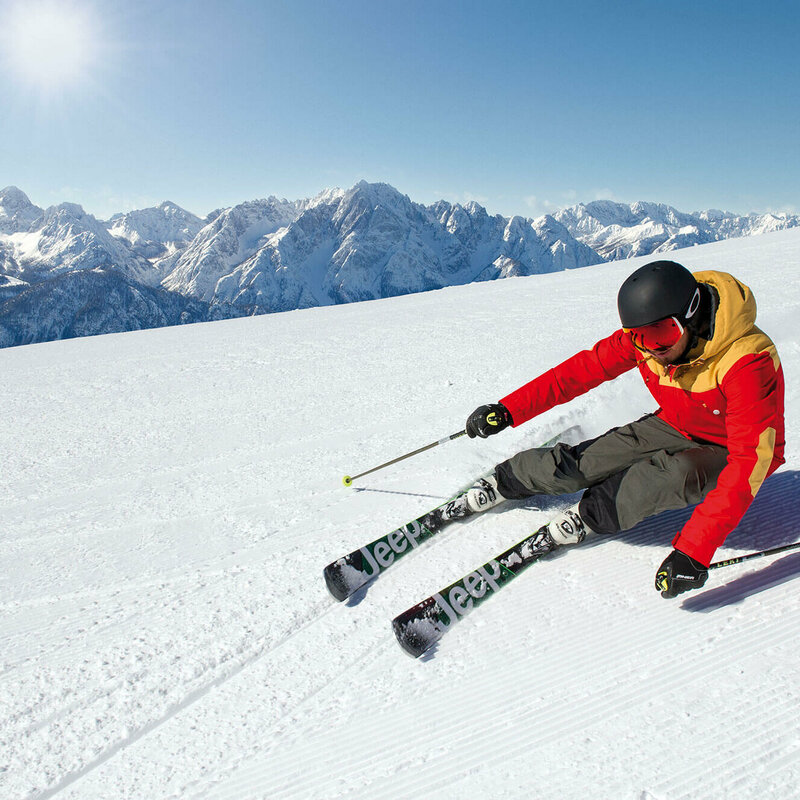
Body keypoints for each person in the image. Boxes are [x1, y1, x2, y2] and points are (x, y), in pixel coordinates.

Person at [443, 260, 785, 598]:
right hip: (676, 422)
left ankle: (590, 515)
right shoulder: (647, 343)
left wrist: (694, 552)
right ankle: (507, 479)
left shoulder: (747, 363)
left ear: (692, 316)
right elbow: (581, 371)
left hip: (734, 449)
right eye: (641, 337)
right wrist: (508, 409)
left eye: (663, 335)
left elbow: (748, 461)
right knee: (587, 463)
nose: (653, 348)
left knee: (670, 475)